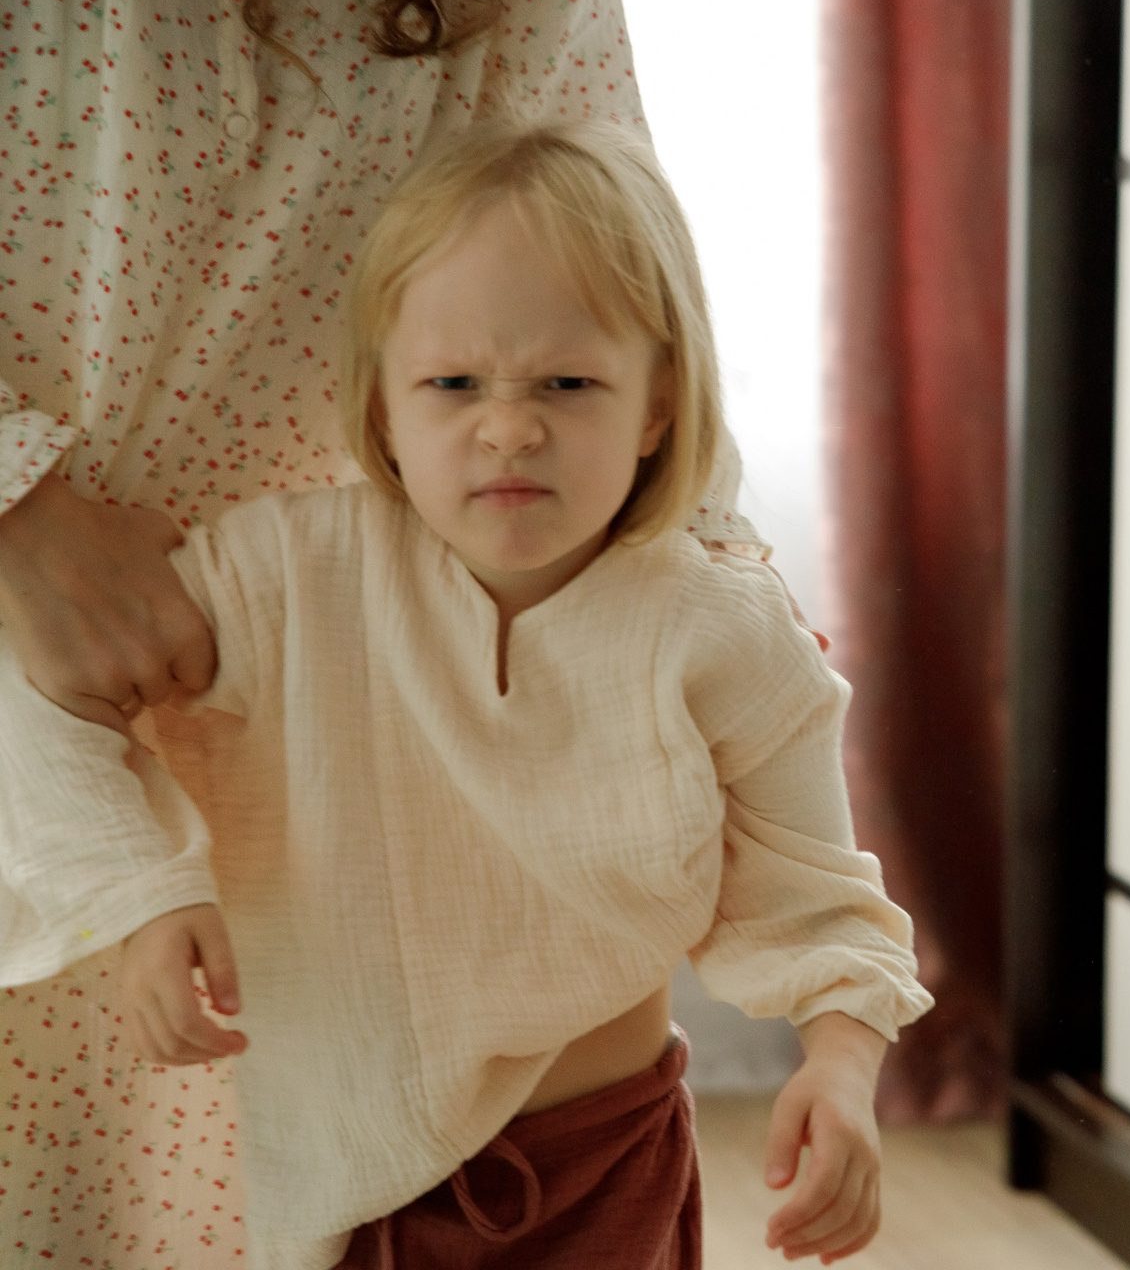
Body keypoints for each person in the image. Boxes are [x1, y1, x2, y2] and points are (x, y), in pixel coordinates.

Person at [0, 117, 933, 1270]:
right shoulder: (283, 574)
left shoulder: (724, 630)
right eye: (452, 383)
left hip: (606, 1165)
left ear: (658, 403)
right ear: (383, 407)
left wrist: (841, 1065)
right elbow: (43, 691)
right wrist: (143, 895)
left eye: (568, 381)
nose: (510, 425)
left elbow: (819, 897)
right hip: (342, 1185)